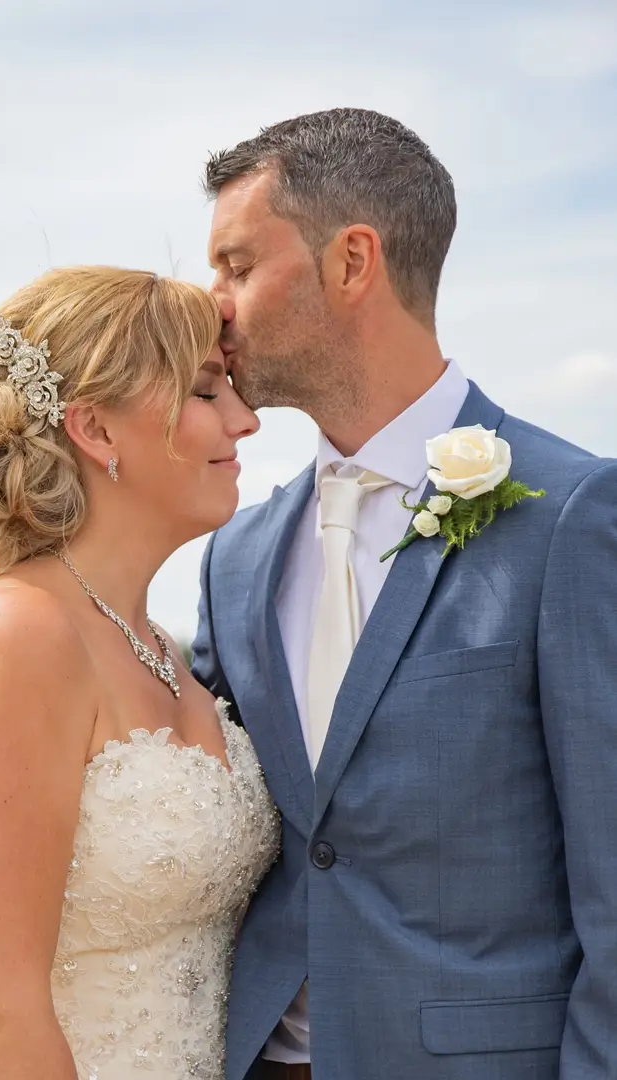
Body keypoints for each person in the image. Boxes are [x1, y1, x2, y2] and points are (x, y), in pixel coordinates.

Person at [192, 108, 617, 1080]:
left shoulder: (572, 517)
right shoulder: (234, 558)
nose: (211, 306)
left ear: (352, 262)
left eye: (237, 266)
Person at [0, 265, 280, 1080]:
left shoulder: (162, 650)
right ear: (95, 430)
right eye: (206, 391)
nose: (246, 419)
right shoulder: (18, 636)